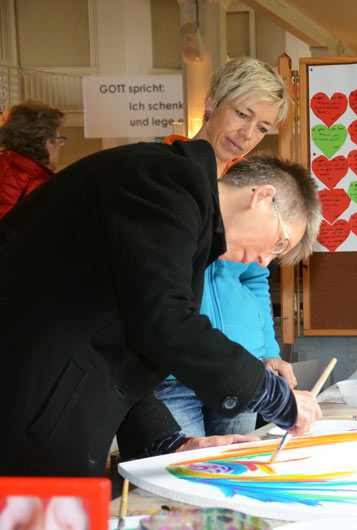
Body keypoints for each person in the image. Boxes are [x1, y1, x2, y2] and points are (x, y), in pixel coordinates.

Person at [0, 141, 323, 476]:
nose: (264, 261)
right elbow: (166, 323)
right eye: (279, 243)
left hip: (44, 400)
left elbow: (125, 348)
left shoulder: (190, 228)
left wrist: (167, 441)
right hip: (21, 395)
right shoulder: (168, 181)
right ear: (262, 197)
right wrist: (272, 395)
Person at [155, 57, 297, 438]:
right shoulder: (161, 178)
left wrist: (268, 350)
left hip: (242, 369)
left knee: (235, 474)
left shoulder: (251, 188)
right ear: (211, 102)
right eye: (241, 113)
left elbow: (256, 280)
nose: (248, 133)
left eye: (262, 127)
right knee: (184, 479)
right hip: (175, 371)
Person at [0, 99, 66, 218]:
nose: (60, 147)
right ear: (48, 145)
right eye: (58, 141)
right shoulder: (38, 185)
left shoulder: (6, 169)